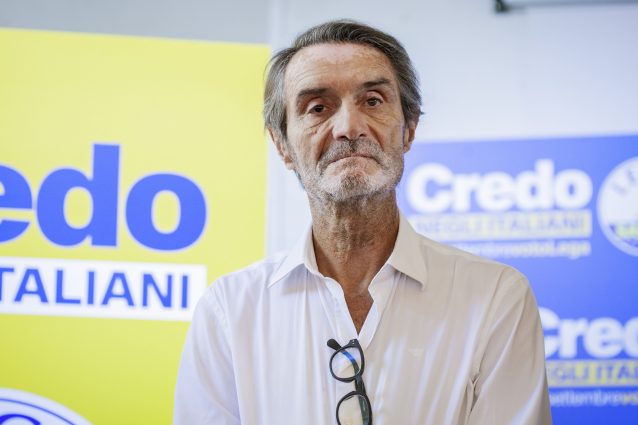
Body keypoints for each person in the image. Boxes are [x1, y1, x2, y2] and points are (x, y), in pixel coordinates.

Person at [174, 20, 551, 425]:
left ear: (409, 129)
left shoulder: (495, 298)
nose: (349, 127)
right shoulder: (230, 311)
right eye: (318, 108)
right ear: (281, 144)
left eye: (372, 101)